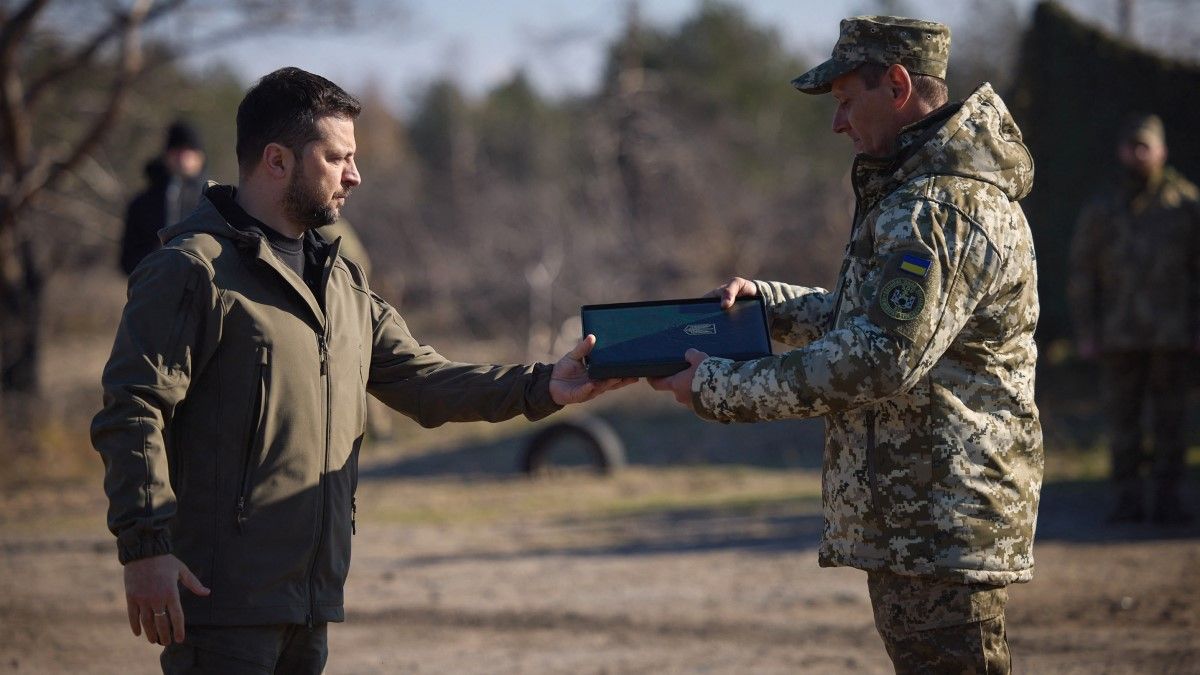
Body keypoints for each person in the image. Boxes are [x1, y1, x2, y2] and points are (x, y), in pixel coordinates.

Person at [92, 67, 633, 674]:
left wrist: (542, 386)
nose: (355, 174)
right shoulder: (192, 270)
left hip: (312, 601)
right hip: (220, 605)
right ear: (276, 160)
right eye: (336, 157)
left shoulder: (340, 278)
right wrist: (145, 550)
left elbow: (426, 381)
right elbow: (133, 408)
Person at [648, 16, 1041, 673]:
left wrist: (719, 387)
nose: (837, 126)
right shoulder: (919, 198)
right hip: (918, 522)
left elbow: (877, 358)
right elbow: (872, 321)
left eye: (844, 102)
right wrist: (768, 310)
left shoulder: (939, 210)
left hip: (939, 523)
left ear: (896, 84)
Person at [1068, 113, 1198, 525]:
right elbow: (1083, 273)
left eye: (1147, 146)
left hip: (1172, 334)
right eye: (1132, 146)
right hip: (1118, 336)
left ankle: (1169, 501)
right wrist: (1087, 332)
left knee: (1171, 422)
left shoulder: (1187, 205)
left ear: (1162, 150)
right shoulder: (1102, 208)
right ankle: (1126, 501)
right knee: (1122, 423)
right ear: (1122, 151)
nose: (1139, 153)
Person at [120, 120, 208, 275]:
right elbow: (127, 260)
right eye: (177, 150)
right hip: (153, 291)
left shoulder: (214, 202)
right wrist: (158, 263)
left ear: (200, 157)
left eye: (189, 151)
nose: (183, 157)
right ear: (166, 155)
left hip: (202, 293)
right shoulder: (142, 204)